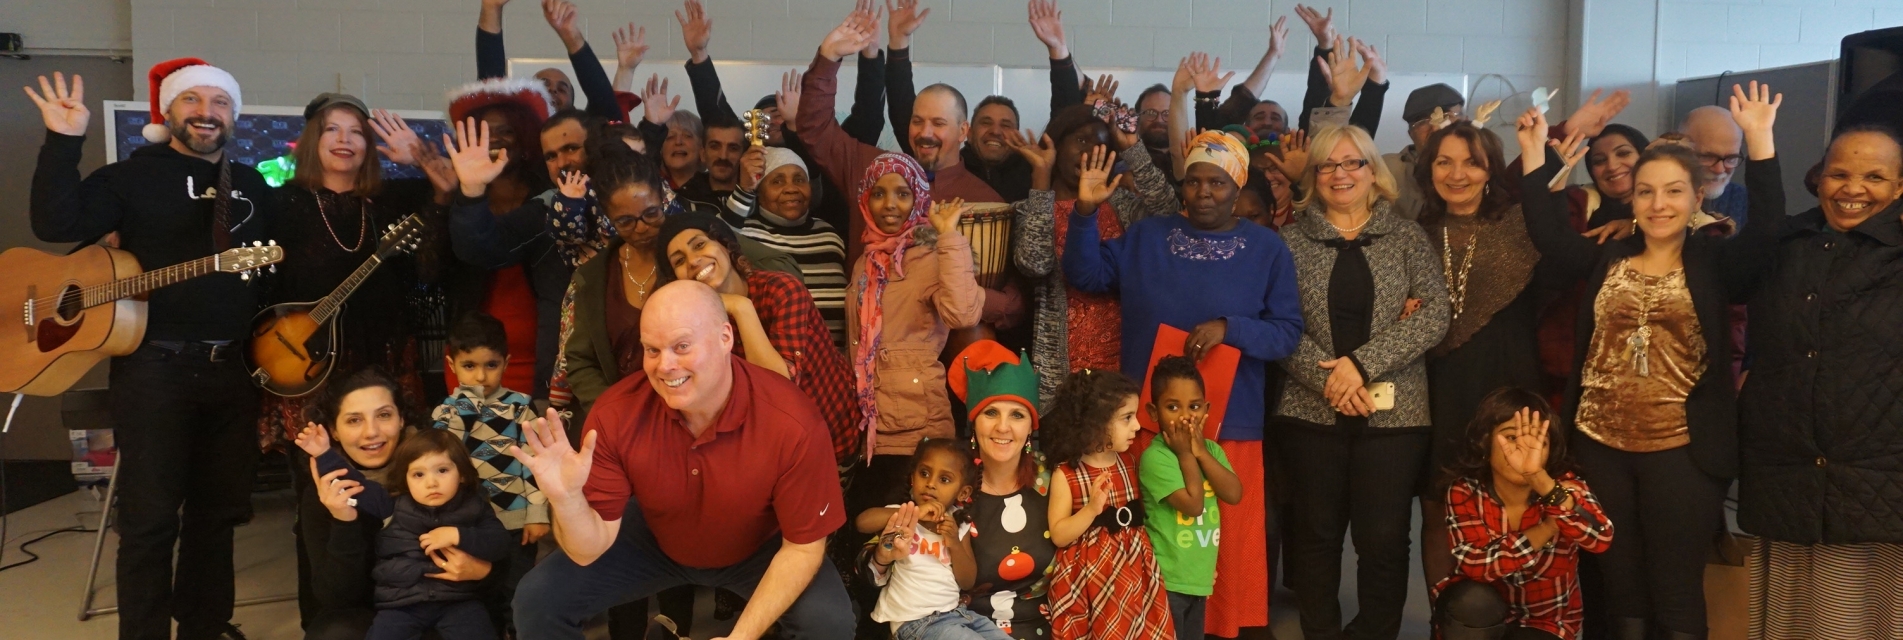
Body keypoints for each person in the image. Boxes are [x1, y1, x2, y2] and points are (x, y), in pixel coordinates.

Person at [1514, 82, 1785, 639]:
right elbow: (1546, 232)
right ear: (1632, 199)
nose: (1659, 204)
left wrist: (1760, 142)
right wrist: (1536, 152)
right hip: (1600, 445)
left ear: (1696, 197)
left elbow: (1769, 235)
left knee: (1675, 590)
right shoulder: (1609, 254)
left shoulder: (1714, 261)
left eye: (1673, 192)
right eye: (1646, 192)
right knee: (1622, 589)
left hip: (1682, 452)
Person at [28, 62, 277, 640]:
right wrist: (64, 140)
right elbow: (54, 222)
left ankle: (204, 627)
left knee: (217, 517)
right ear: (168, 111)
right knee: (149, 520)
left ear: (234, 116)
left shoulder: (253, 184)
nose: (206, 112)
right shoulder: (129, 178)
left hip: (234, 369)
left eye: (220, 102)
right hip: (153, 369)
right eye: (192, 100)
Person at [511, 280, 854, 640]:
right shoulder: (616, 413)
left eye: (682, 346)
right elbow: (587, 552)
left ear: (725, 338)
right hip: (656, 534)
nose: (665, 366)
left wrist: (741, 637)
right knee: (538, 600)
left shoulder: (791, 420)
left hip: (759, 543)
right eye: (652, 350)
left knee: (829, 624)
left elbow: (803, 549)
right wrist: (567, 500)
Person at [1063, 129, 1303, 639]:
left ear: (1237, 187)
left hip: (1229, 424)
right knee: (1159, 538)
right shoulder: (1148, 236)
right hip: (1148, 422)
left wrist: (1230, 329)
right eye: (1193, 181)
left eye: (1217, 182)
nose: (1203, 192)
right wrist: (1085, 212)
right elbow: (1085, 275)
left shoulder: (1267, 248)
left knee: (1221, 545)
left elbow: (1286, 333)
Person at [1276, 123, 1451, 640]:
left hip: (1395, 417)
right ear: (1314, 176)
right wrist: (1331, 381)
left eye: (1352, 162)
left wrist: (1361, 365)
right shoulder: (1289, 242)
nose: (1340, 174)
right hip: (1310, 413)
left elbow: (1435, 313)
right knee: (1315, 536)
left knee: (1384, 539)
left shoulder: (1407, 237)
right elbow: (1278, 323)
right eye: (1327, 164)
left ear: (1373, 172)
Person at [1737, 124, 1903, 637]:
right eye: (1839, 174)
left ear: (1899, 187)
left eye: (1874, 177)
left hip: (1879, 481)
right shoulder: (1784, 243)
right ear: (1819, 178)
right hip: (1787, 472)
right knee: (1791, 621)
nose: (1853, 189)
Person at [1414, 121, 1577, 592]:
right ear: (1429, 169)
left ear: (1491, 170)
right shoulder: (1417, 232)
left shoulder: (1521, 225)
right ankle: (1449, 618)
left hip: (1508, 381)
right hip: (1437, 389)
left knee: (1515, 504)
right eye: (1444, 162)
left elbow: (1566, 263)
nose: (1457, 174)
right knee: (1438, 510)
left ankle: (1516, 617)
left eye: (1472, 162)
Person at [259, 95, 446, 451]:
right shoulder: (280, 203)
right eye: (332, 129)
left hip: (380, 352)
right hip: (305, 358)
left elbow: (454, 186)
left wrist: (420, 157)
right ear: (313, 140)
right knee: (317, 464)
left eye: (356, 132)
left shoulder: (393, 198)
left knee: (387, 461)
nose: (344, 139)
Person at [293, 369, 498, 640]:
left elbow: (501, 556)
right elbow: (334, 600)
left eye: (384, 415)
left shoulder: (442, 470)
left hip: (454, 605)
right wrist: (344, 522)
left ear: (401, 419)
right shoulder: (327, 492)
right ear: (334, 432)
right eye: (354, 420)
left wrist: (483, 572)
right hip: (382, 614)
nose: (371, 432)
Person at [841, 152, 986, 520]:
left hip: (917, 422)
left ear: (918, 198)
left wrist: (948, 236)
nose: (890, 204)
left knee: (909, 528)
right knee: (870, 529)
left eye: (902, 193)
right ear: (866, 200)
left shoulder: (931, 256)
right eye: (879, 193)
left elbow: (963, 314)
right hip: (870, 424)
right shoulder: (865, 261)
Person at [653, 212, 860, 465]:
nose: (693, 261)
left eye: (699, 245)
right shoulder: (695, 323)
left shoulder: (782, 290)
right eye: (679, 260)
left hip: (834, 440)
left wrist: (741, 308)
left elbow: (779, 389)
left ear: (725, 244)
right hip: (773, 451)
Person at [1011, 104, 1179, 403]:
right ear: (1057, 145)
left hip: (1124, 357)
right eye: (1081, 140)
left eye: (1101, 144)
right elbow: (1034, 265)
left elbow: (1169, 216)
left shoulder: (1121, 204)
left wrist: (1133, 150)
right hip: (1059, 368)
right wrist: (1041, 179)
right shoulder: (1030, 208)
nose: (1091, 152)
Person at [1433, 389, 1613, 640]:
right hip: (1481, 615)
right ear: (1485, 443)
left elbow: (1601, 538)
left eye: (1537, 442)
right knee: (1472, 601)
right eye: (1511, 437)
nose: (1524, 450)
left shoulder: (1564, 489)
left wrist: (1537, 477)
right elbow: (1476, 566)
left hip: (1546, 622)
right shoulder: (1465, 491)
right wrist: (1545, 529)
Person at [312, 425, 510, 640]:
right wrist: (323, 453)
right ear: (405, 479)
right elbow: (355, 484)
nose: (431, 483)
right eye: (418, 474)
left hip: (460, 601)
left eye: (442, 470)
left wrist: (459, 535)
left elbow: (500, 543)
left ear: (461, 474)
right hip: (401, 605)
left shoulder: (474, 506)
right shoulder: (393, 505)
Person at [428, 312, 548, 633]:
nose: (481, 377)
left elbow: (535, 462)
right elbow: (444, 454)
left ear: (506, 363)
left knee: (517, 595)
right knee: (480, 598)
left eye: (491, 365)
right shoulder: (446, 411)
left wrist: (537, 513)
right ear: (452, 365)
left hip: (515, 524)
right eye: (469, 366)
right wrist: (468, 403)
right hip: (468, 526)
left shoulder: (519, 406)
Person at [1042, 369, 1175, 639]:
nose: (1136, 426)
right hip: (1091, 581)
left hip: (1135, 573)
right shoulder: (1066, 474)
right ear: (1096, 422)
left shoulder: (1130, 463)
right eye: (1127, 418)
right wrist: (1091, 510)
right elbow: (1059, 534)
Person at [946, 340, 1057, 640]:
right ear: (974, 422)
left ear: (1030, 427)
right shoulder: (949, 481)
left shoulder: (1055, 481)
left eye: (1017, 415)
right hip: (965, 631)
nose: (1003, 427)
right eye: (991, 413)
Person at [559, 141, 675, 420]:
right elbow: (580, 360)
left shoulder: (689, 257)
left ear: (663, 199)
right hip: (620, 417)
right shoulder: (594, 276)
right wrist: (613, 413)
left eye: (651, 214)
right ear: (608, 217)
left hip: (687, 409)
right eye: (625, 221)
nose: (642, 228)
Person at [855, 440, 1011, 640]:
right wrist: (915, 513)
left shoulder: (958, 525)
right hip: (914, 623)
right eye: (924, 473)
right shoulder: (903, 514)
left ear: (963, 492)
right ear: (913, 477)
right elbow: (862, 522)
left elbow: (967, 581)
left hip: (956, 614)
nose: (930, 483)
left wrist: (954, 543)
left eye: (944, 479)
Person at [1140, 356, 1244, 640]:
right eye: (1173, 407)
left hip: (1198, 579)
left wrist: (1200, 453)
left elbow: (1234, 493)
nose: (1185, 417)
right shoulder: (1156, 457)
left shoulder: (1211, 450)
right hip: (1167, 579)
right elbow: (1194, 505)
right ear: (1153, 412)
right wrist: (1187, 454)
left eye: (1194, 407)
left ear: (1206, 410)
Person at [731, 147, 853, 349]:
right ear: (760, 191)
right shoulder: (744, 234)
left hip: (835, 362)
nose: (791, 189)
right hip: (775, 362)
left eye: (799, 180)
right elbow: (712, 237)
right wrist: (744, 189)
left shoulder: (829, 235)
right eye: (777, 181)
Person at [1383, 83, 1465, 220]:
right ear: (1411, 134)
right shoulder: (1389, 171)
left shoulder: (1484, 164)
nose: (1435, 128)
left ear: (1465, 121)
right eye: (1422, 122)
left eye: (1446, 116)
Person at [1680, 106, 1750, 226]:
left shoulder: (1744, 202)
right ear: (1680, 150)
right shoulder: (1656, 200)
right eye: (1707, 157)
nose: (1719, 169)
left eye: (1731, 158)